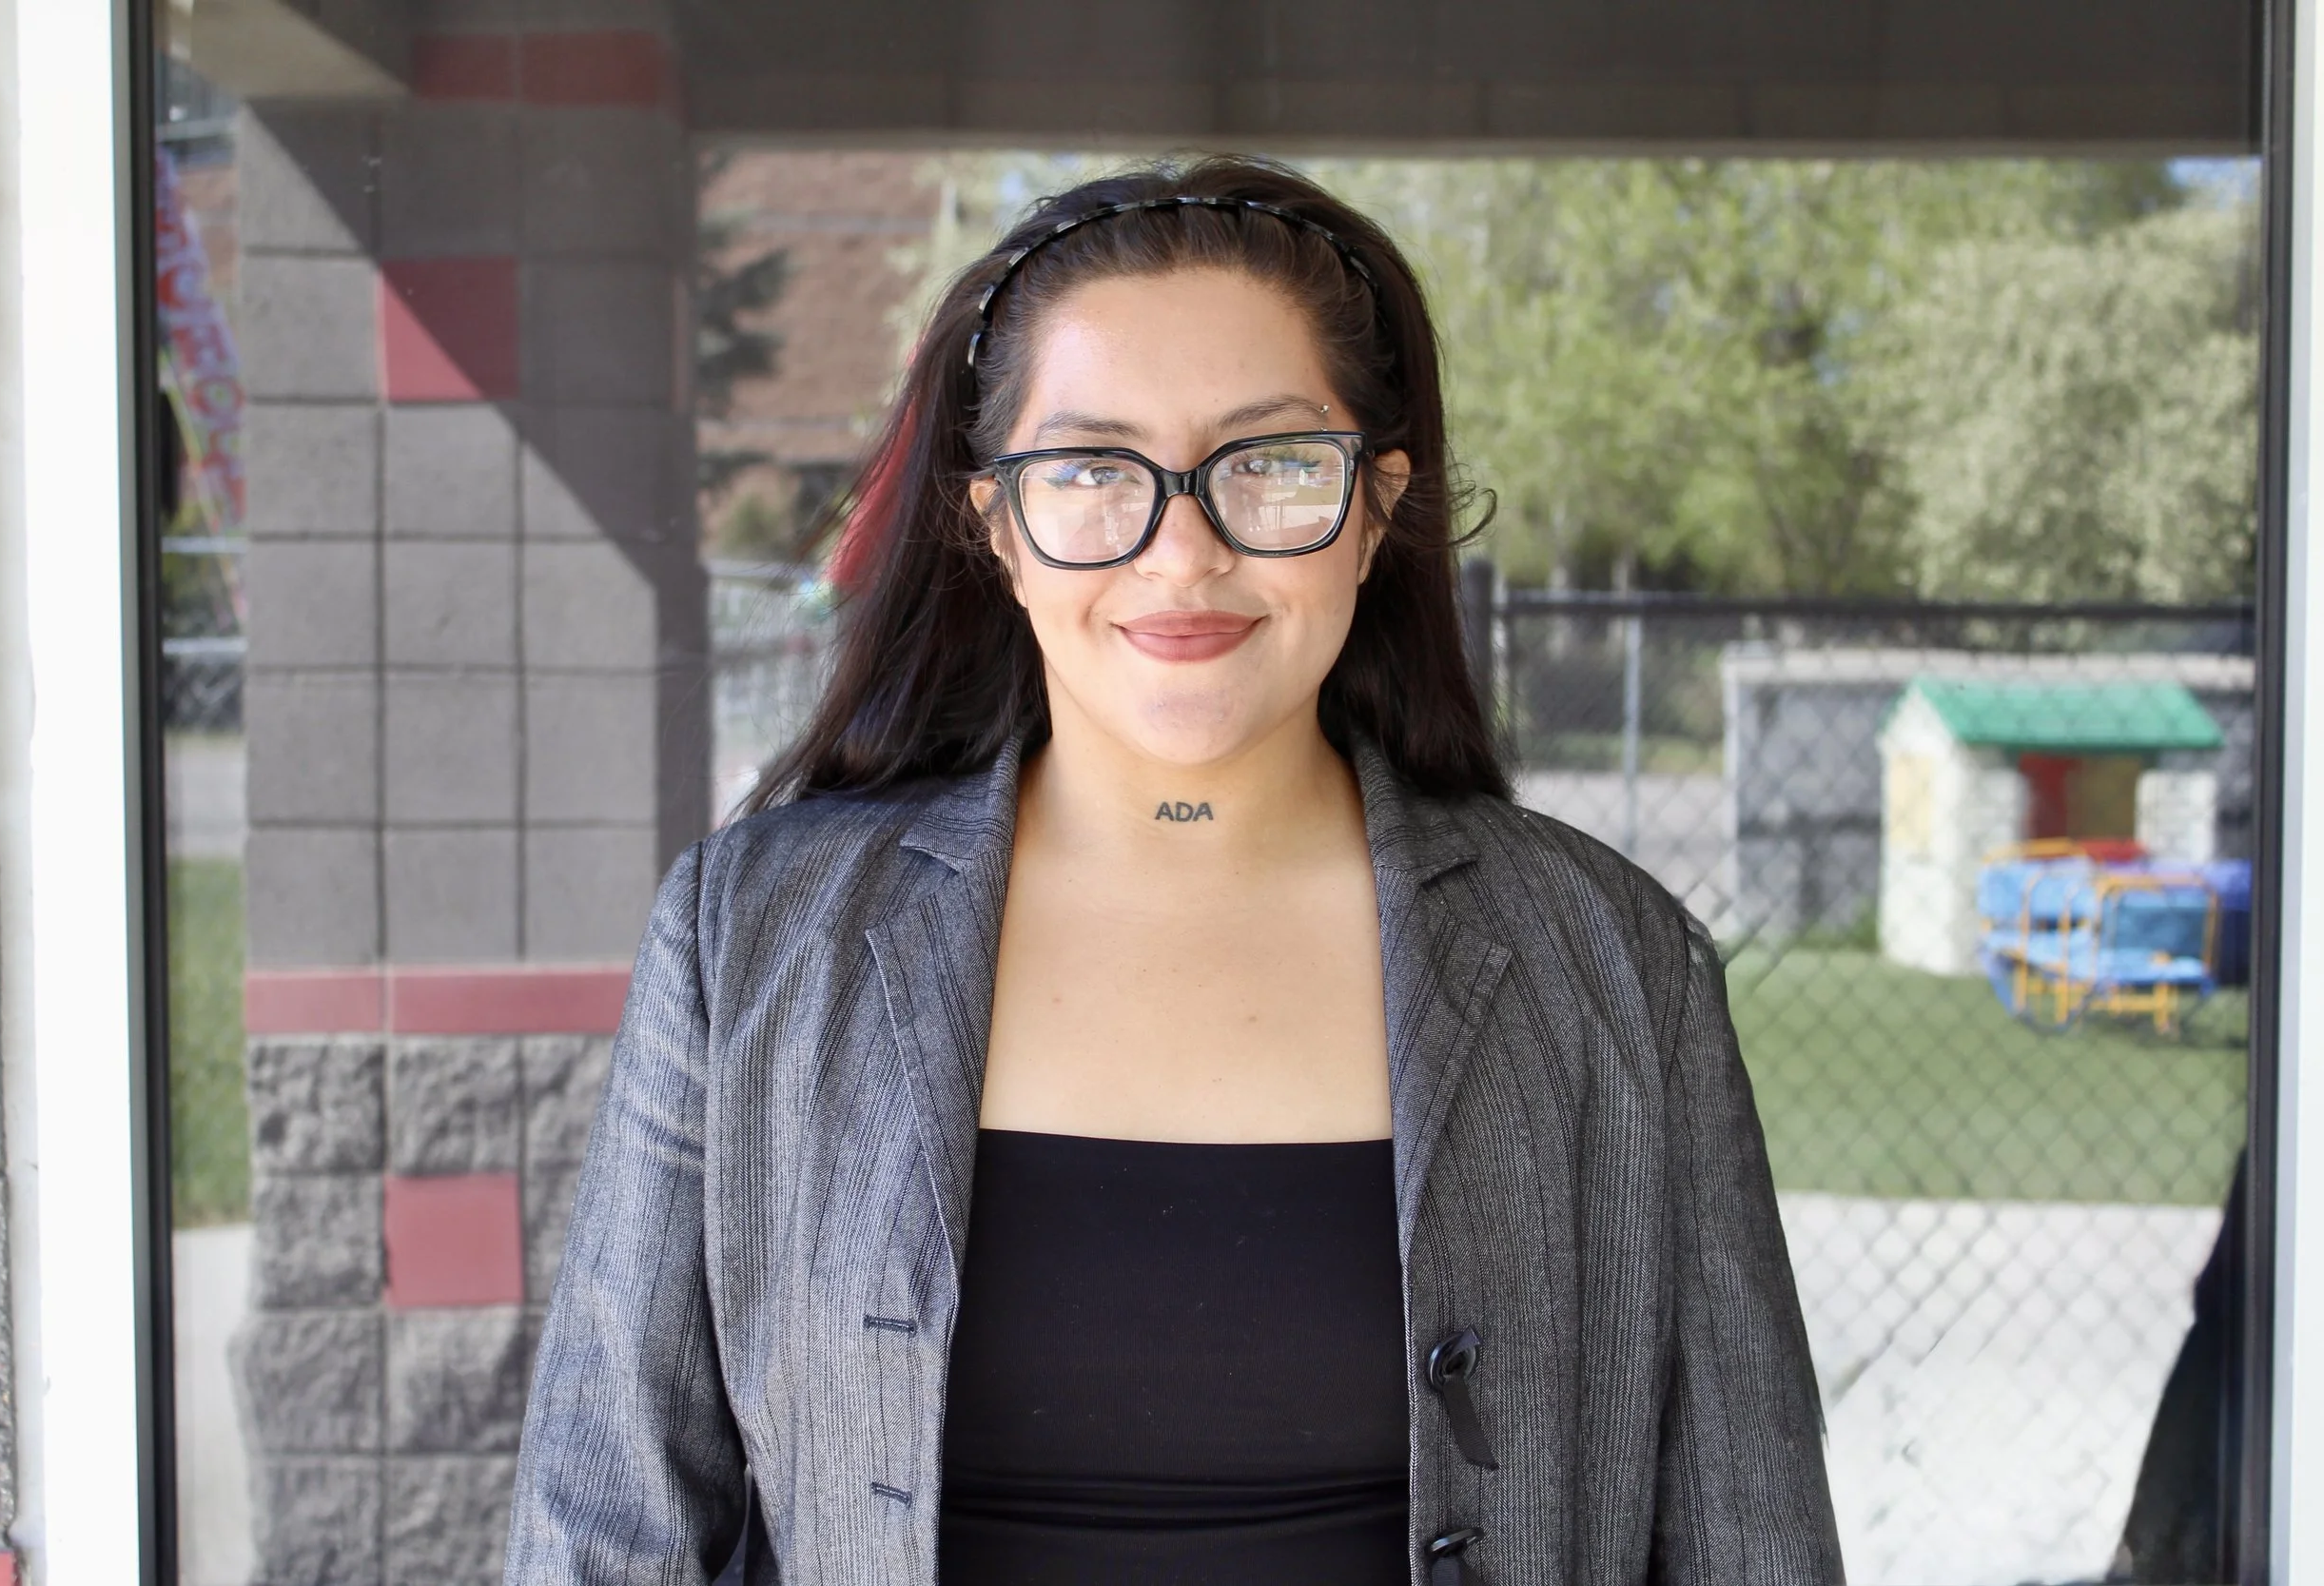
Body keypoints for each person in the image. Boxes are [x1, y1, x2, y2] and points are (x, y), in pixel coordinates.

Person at [506, 156, 1840, 1585]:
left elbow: (1749, 1542)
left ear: (1376, 507)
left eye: (1267, 465)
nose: (1182, 551)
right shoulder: (754, 943)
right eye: (1093, 469)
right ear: (995, 521)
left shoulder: (1613, 965)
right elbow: (605, 1534)